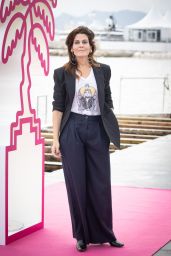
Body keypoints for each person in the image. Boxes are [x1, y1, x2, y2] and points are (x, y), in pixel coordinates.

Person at [51, 26, 124, 252]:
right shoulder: (62, 73)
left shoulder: (104, 70)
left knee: (100, 184)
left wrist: (107, 120)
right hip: (71, 129)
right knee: (77, 184)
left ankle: (106, 233)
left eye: (84, 41)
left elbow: (108, 99)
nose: (81, 45)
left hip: (97, 129)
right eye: (76, 42)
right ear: (71, 48)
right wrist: (55, 139)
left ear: (91, 46)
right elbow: (58, 106)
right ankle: (81, 235)